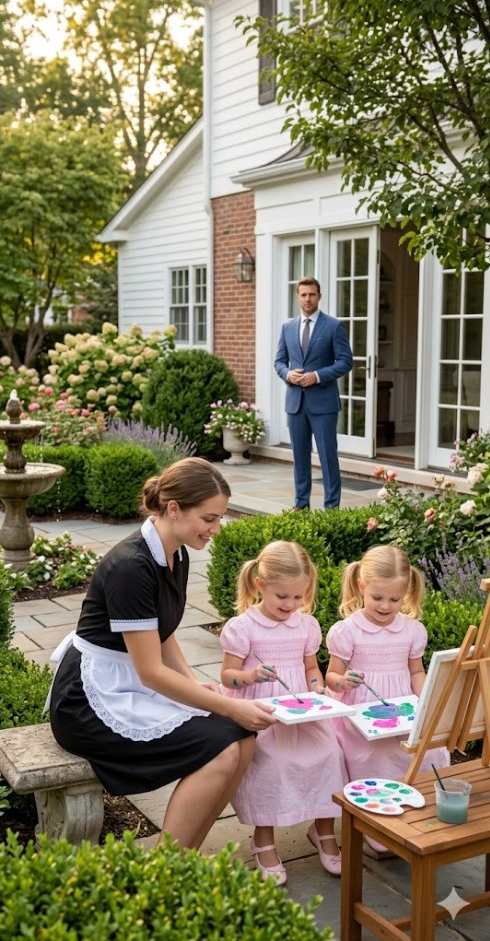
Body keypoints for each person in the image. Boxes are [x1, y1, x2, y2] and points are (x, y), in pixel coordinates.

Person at [49, 457, 277, 850]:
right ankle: (166, 872)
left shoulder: (177, 553)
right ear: (174, 509)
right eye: (209, 518)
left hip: (129, 679)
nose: (217, 529)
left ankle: (182, 857)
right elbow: (152, 672)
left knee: (243, 739)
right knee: (222, 747)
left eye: (219, 518)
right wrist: (227, 706)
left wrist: (193, 683)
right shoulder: (131, 567)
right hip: (90, 698)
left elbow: (163, 633)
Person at [220, 541, 347, 884]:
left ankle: (323, 829)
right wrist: (248, 676)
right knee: (271, 763)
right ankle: (263, 838)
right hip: (261, 709)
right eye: (282, 597)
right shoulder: (244, 627)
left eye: (298, 597)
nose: (290, 605)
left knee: (329, 753)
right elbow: (227, 675)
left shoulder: (305, 626)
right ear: (260, 585)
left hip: (300, 707)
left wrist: (317, 687)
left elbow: (310, 668)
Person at [325, 544, 450, 853]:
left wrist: (425, 702)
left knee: (425, 752)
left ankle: (408, 805)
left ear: (406, 593)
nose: (385, 606)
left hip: (400, 705)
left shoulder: (411, 631)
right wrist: (343, 681)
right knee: (373, 757)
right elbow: (331, 676)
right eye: (377, 598)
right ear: (360, 587)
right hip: (360, 712)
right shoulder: (348, 631)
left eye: (395, 599)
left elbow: (416, 672)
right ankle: (375, 816)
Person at [274, 276, 353, 510]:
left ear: (319, 296)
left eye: (312, 294)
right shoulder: (287, 327)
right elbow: (279, 361)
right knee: (300, 458)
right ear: (297, 297)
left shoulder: (333, 326)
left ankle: (332, 508)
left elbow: (346, 362)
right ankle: (301, 505)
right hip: (295, 403)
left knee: (328, 458)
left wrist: (316, 376)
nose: (307, 299)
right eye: (303, 294)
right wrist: (288, 374)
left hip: (324, 404)